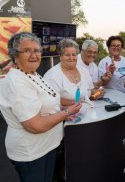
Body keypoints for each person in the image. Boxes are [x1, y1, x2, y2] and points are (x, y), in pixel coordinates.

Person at [0, 32, 81, 182]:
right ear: (15, 55)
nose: (34, 55)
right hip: (32, 152)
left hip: (47, 147)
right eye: (27, 50)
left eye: (37, 50)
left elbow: (47, 103)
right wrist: (67, 112)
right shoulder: (17, 82)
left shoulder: (32, 74)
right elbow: (34, 125)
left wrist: (64, 108)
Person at [44, 38, 101, 114]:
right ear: (60, 56)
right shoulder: (52, 76)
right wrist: (74, 102)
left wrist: (97, 93)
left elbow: (91, 91)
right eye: (67, 55)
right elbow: (51, 100)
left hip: (89, 114)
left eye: (74, 55)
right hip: (66, 119)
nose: (71, 58)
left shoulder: (84, 71)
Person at [98, 35, 125, 127]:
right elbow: (102, 83)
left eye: (119, 46)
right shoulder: (104, 62)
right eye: (113, 45)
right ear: (108, 47)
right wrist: (110, 73)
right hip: (112, 102)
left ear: (122, 48)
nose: (116, 47)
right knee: (113, 127)